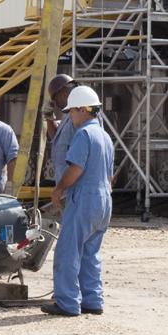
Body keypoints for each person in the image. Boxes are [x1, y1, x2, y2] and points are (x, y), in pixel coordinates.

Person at [43, 85, 114, 317]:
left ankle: (67, 302)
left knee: (68, 251)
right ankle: (93, 300)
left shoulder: (84, 134)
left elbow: (76, 168)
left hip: (84, 198)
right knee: (90, 252)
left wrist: (59, 189)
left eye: (71, 112)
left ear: (84, 110)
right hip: (104, 200)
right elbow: (110, 176)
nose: (70, 116)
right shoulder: (104, 136)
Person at [46, 73, 77, 181]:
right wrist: (49, 118)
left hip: (75, 182)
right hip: (64, 180)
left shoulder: (80, 113)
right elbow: (55, 137)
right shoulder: (68, 114)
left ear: (63, 93)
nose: (55, 103)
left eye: (55, 98)